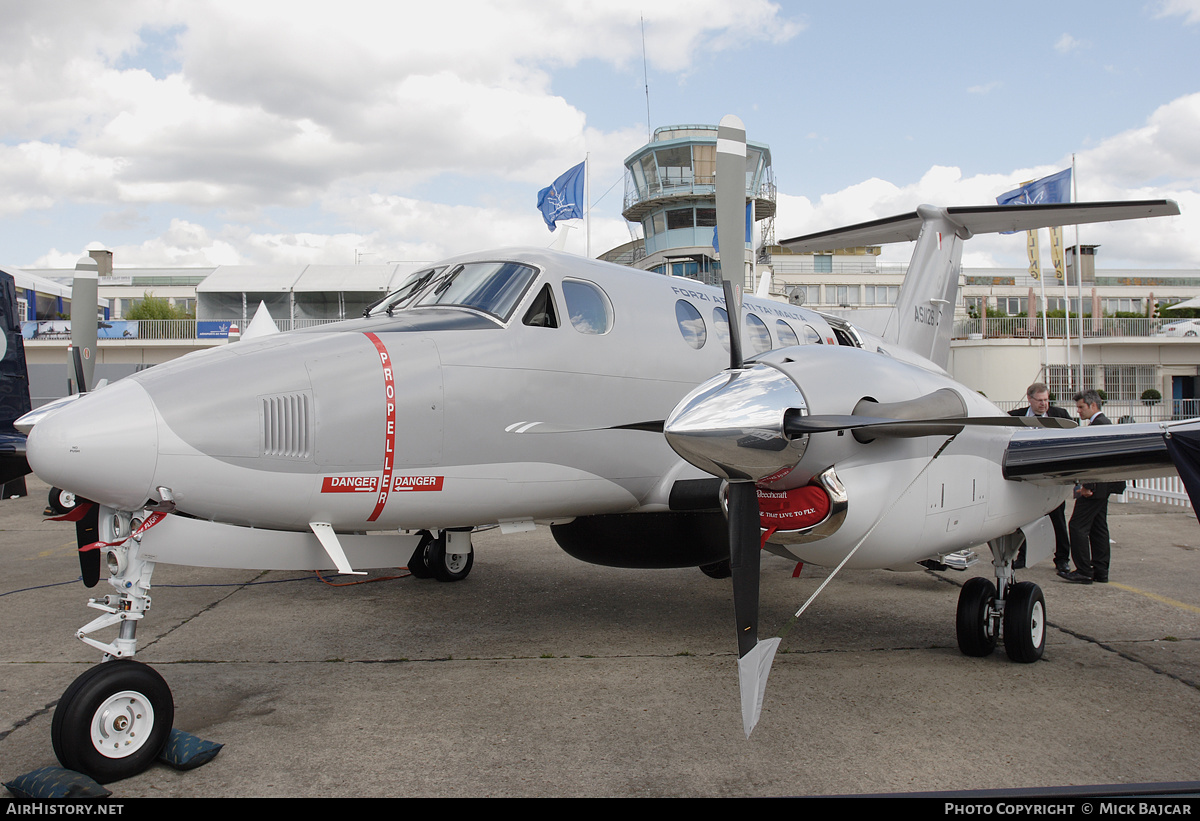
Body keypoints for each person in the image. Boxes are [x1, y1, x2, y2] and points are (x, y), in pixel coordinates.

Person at [1008, 382, 1072, 571]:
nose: (1044, 404)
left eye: (1046, 400)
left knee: (1058, 519)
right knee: (1025, 520)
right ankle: (1023, 556)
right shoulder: (1014, 417)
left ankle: (1062, 559)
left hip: (1052, 477)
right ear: (1029, 399)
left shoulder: (1061, 416)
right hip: (1026, 477)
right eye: (1040, 400)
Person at [1061, 389, 1117, 584]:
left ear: (1093, 406)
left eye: (1081, 407)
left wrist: (1087, 486)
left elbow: (1095, 460)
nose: (1078, 411)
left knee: (1077, 526)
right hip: (1104, 486)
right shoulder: (1104, 424)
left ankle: (1084, 570)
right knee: (1099, 528)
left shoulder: (1098, 426)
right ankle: (1101, 570)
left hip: (1096, 486)